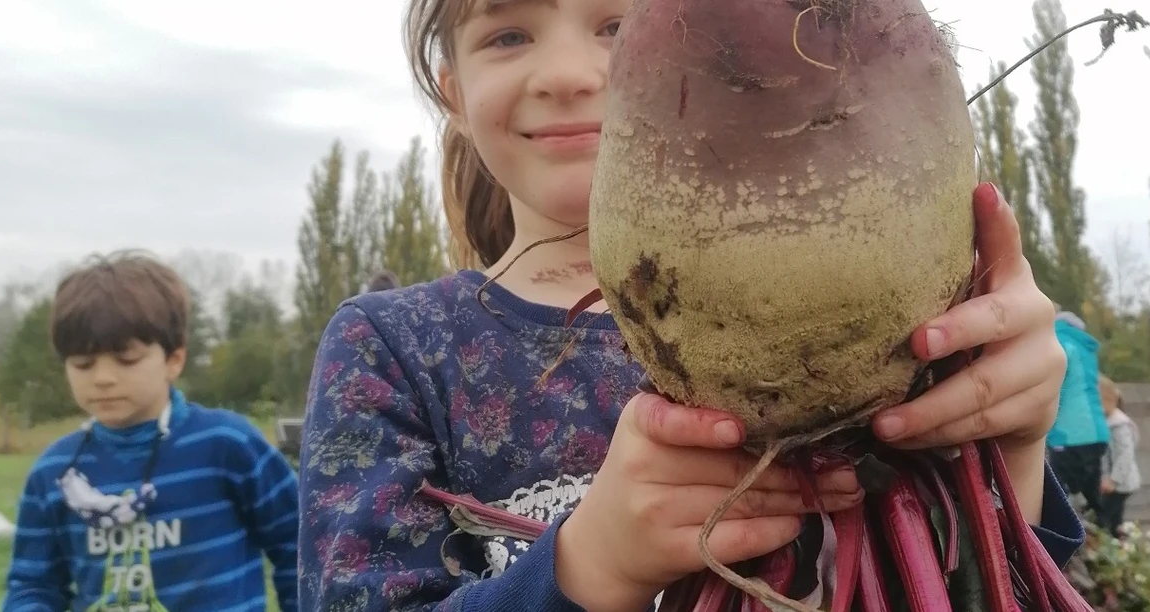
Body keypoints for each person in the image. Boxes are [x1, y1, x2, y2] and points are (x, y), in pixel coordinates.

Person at [295, 1, 1084, 610]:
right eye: (507, 35)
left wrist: (1011, 449)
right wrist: (588, 567)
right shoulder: (392, 351)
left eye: (617, 24)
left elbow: (984, 577)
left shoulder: (925, 321)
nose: (568, 72)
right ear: (452, 94)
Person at [3, 250, 299, 612]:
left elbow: (300, 547)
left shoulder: (229, 445)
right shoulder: (54, 474)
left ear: (174, 359)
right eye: (83, 364)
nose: (103, 378)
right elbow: (33, 586)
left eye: (126, 360)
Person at [1046, 309, 1111, 518]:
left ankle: (1059, 543)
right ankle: (1108, 539)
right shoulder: (1086, 350)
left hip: (1069, 434)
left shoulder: (1060, 343)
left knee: (1055, 494)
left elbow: (1058, 388)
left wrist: (1048, 422)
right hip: (1097, 433)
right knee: (1092, 498)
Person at [1096, 375, 1140, 539]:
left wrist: (1113, 480)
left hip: (1120, 484)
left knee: (1102, 519)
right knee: (1115, 521)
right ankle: (1120, 548)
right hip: (1114, 483)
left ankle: (1108, 550)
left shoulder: (1119, 425)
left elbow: (1125, 455)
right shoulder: (1108, 422)